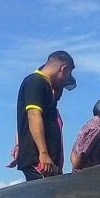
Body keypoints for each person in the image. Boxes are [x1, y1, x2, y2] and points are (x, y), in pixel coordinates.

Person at [16, 51, 76, 182]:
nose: (67, 78)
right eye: (69, 73)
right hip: (40, 162)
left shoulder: (45, 86)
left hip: (49, 162)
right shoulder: (35, 82)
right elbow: (33, 115)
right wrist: (43, 153)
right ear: (63, 69)